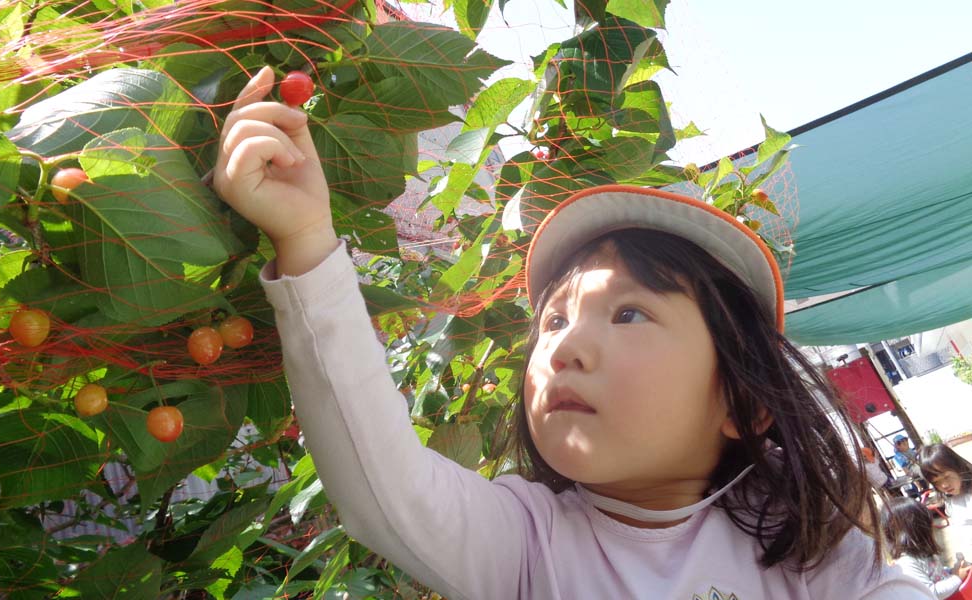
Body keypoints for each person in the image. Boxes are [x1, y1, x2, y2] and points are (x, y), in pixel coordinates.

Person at [212, 66, 932, 598]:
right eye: (553, 320)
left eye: (629, 313)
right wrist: (307, 238)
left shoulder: (815, 555)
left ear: (742, 403)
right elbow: (388, 488)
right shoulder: (528, 542)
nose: (562, 345)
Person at [881, 497, 971, 598]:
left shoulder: (922, 551)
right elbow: (930, 592)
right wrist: (957, 578)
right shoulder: (907, 562)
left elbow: (936, 573)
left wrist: (952, 571)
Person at [921, 443, 972, 555]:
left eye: (947, 477)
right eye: (936, 482)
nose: (944, 485)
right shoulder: (951, 498)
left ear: (958, 468)